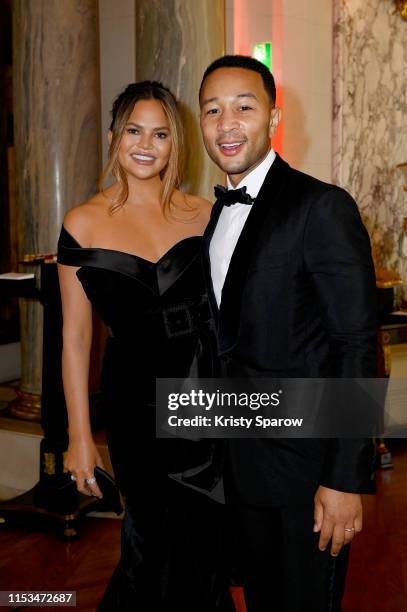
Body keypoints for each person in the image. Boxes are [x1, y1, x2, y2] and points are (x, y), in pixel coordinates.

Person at [198, 55, 377, 611]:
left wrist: (347, 480)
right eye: (212, 110)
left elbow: (356, 346)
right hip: (239, 470)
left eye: (243, 107)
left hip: (307, 478)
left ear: (273, 119)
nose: (227, 123)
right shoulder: (213, 216)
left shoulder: (319, 206)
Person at [57, 81, 232, 611]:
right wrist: (80, 438)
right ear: (114, 136)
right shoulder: (82, 222)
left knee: (204, 544)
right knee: (149, 543)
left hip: (206, 396)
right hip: (134, 403)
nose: (145, 144)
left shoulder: (205, 214)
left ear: (174, 144)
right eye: (134, 130)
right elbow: (76, 337)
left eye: (160, 134)